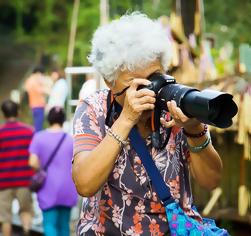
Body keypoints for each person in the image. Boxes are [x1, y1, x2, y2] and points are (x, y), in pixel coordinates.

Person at [72, 13, 223, 235]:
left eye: (154, 78)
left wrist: (194, 129)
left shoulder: (175, 102)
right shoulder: (95, 108)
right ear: (110, 82)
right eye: (137, 84)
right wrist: (126, 119)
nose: (150, 90)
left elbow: (211, 181)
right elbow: (84, 183)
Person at [0, 100, 34, 236]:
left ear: (3, 114)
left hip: (4, 181)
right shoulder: (29, 132)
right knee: (25, 210)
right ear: (18, 112)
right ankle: (26, 231)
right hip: (24, 180)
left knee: (5, 217)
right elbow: (34, 155)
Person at [29, 106, 78, 236]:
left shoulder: (39, 137)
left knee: (49, 225)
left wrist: (42, 169)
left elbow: (32, 162)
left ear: (48, 119)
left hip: (48, 187)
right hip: (68, 187)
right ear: (63, 120)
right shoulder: (71, 139)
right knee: (64, 226)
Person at [24, 66, 51, 132]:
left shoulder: (29, 81)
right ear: (38, 73)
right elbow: (46, 91)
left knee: (37, 125)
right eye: (42, 74)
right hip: (39, 106)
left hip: (33, 106)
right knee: (38, 127)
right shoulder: (35, 81)